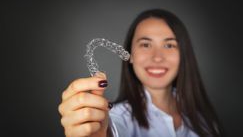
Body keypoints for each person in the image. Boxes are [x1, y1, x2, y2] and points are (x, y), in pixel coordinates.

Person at [58, 9, 224, 137]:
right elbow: (113, 129)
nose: (157, 57)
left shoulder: (202, 117)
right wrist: (102, 133)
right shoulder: (118, 117)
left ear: (184, 54)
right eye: (145, 45)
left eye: (169, 45)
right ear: (130, 54)